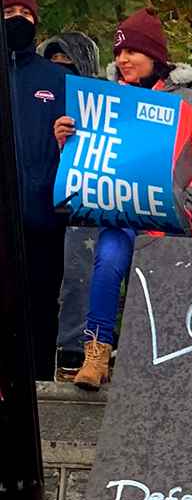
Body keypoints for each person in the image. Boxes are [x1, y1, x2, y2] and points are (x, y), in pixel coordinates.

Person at [53, 8, 192, 388]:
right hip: (120, 220)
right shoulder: (102, 104)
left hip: (170, 229)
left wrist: (185, 205)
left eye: (133, 50)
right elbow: (83, 168)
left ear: (157, 57)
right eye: (118, 52)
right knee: (107, 261)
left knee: (163, 302)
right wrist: (66, 143)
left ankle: (167, 372)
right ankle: (97, 354)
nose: (122, 59)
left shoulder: (187, 105)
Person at [4, 0, 68, 380]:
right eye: (8, 13)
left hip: (42, 217)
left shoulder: (56, 79)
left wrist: (68, 139)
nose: (17, 19)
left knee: (41, 308)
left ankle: (42, 391)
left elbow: (86, 143)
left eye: (24, 12)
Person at [39, 31, 102, 381]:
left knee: (82, 277)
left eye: (70, 68)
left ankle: (77, 351)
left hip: (84, 207)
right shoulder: (36, 101)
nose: (62, 75)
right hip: (41, 206)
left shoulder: (103, 108)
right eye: (54, 67)